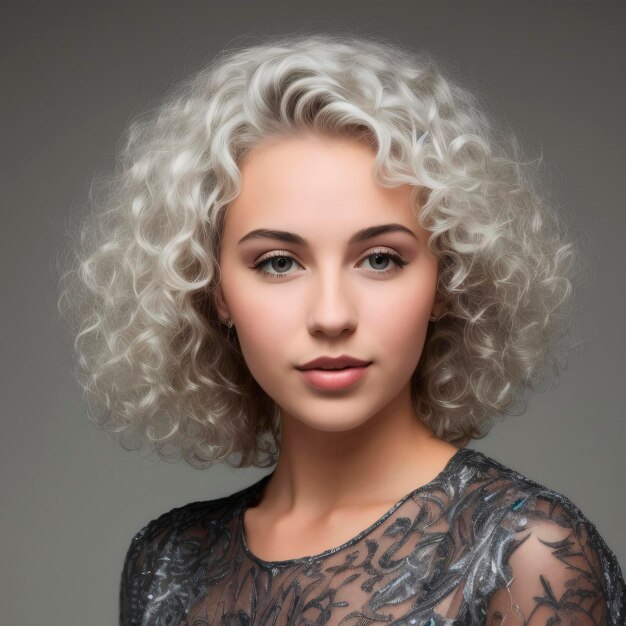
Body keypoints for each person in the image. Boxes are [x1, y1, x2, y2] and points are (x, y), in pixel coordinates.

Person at [58, 33, 625, 625]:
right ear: (215, 291)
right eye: (278, 262)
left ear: (446, 279)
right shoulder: (166, 561)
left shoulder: (525, 555)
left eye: (381, 258)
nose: (332, 316)